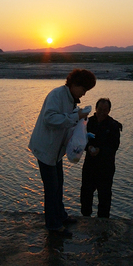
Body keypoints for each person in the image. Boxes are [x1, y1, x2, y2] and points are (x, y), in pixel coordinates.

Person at [29, 69, 96, 234]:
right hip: (46, 149)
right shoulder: (57, 95)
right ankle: (53, 225)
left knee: (58, 185)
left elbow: (66, 120)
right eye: (83, 89)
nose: (84, 94)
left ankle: (61, 215)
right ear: (74, 84)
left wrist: (80, 126)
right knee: (52, 188)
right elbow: (50, 118)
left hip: (56, 151)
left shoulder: (71, 98)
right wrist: (76, 117)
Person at [79, 97, 122, 218]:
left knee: (105, 196)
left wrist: (100, 150)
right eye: (100, 109)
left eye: (105, 109)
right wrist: (88, 147)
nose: (102, 112)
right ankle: (85, 219)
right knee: (86, 193)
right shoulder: (87, 122)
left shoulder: (113, 125)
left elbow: (114, 145)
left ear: (109, 110)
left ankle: (103, 223)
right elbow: (80, 139)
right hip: (89, 165)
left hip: (106, 167)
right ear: (96, 108)